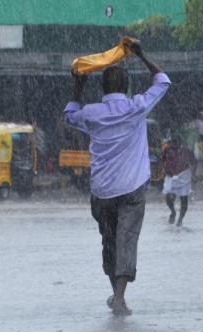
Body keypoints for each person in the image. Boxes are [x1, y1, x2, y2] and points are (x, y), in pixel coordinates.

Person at [63, 42, 170, 316]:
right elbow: (162, 80)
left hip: (102, 190)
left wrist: (78, 85)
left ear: (103, 89)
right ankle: (120, 296)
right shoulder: (137, 107)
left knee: (109, 242)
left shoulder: (92, 114)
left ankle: (116, 293)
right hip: (132, 189)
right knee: (127, 240)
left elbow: (70, 115)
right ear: (126, 87)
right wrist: (142, 54)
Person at [162, 134, 197, 226]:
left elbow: (194, 162)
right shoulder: (167, 150)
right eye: (173, 143)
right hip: (170, 177)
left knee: (184, 200)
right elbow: (163, 159)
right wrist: (164, 170)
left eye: (177, 143)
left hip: (183, 177)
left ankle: (180, 220)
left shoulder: (187, 152)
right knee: (168, 196)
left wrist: (193, 174)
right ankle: (173, 212)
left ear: (181, 143)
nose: (175, 145)